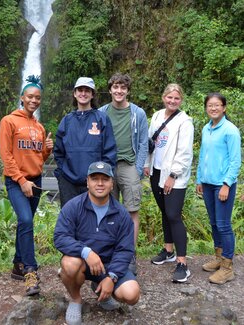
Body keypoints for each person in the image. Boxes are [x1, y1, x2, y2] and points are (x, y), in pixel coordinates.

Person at [54, 161, 140, 325]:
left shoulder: (121, 214)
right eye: (95, 179)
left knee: (131, 294)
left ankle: (100, 287)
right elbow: (60, 237)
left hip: (109, 265)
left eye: (105, 179)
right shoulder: (73, 206)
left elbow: (125, 250)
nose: (100, 183)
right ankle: (76, 300)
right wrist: (86, 252)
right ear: (87, 182)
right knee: (69, 264)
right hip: (83, 262)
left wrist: (111, 277)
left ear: (112, 183)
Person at [0, 75, 53, 295]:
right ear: (22, 97)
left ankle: (17, 265)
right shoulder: (8, 121)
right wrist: (21, 181)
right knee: (26, 220)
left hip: (36, 181)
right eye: (30, 96)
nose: (34, 100)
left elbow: (39, 157)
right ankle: (31, 272)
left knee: (25, 224)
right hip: (16, 181)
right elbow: (6, 155)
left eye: (37, 98)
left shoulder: (39, 127)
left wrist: (47, 149)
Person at [144, 83, 194, 283]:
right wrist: (147, 164)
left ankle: (182, 263)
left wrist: (173, 175)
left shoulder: (184, 121)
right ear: (163, 97)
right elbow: (149, 142)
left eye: (176, 98)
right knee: (164, 212)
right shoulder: (156, 116)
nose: (172, 101)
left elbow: (185, 152)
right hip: (156, 171)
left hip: (174, 176)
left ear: (181, 100)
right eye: (169, 97)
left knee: (173, 214)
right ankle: (168, 250)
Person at [99, 73, 148, 248]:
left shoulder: (138, 113)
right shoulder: (101, 113)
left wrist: (139, 168)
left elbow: (143, 142)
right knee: (107, 210)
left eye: (123, 88)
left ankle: (129, 252)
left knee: (132, 210)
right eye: (116, 87)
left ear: (127, 91)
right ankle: (109, 250)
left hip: (129, 165)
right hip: (107, 167)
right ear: (110, 89)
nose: (119, 91)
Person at [196, 93, 241, 284]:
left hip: (223, 185)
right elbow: (202, 155)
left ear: (224, 108)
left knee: (223, 224)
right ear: (206, 108)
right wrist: (199, 179)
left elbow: (235, 161)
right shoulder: (207, 128)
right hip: (207, 183)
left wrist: (226, 184)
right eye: (210, 105)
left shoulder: (230, 130)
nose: (213, 108)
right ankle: (218, 257)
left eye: (217, 105)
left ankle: (227, 267)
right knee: (214, 223)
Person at [54, 77, 117, 207]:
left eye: (87, 90)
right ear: (75, 93)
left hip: (95, 181)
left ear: (92, 94)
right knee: (70, 220)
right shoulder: (66, 121)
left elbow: (110, 151)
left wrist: (102, 177)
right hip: (69, 182)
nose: (83, 93)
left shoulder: (102, 119)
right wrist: (63, 173)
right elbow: (59, 151)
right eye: (80, 90)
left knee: (94, 220)